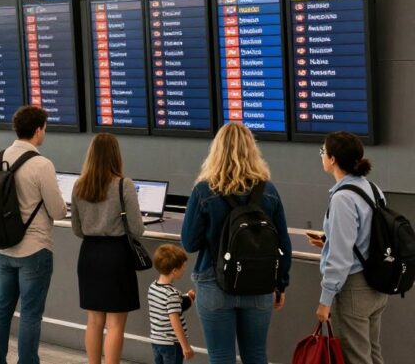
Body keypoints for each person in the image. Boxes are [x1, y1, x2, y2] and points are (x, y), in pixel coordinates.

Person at [181, 123, 291, 364]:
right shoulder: (268, 191)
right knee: (256, 356)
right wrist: (280, 284)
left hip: (213, 283)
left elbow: (189, 243)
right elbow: (283, 242)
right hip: (260, 284)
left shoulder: (204, 191)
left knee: (221, 357)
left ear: (216, 150)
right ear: (253, 150)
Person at [0, 106, 66, 364]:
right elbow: (57, 210)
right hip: (34, 248)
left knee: (2, 310)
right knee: (31, 314)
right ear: (37, 130)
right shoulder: (42, 164)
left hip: (3, 247)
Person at [310, 131, 387, 364]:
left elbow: (340, 257)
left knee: (356, 358)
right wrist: (328, 240)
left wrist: (325, 300)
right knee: (373, 354)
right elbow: (368, 236)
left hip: (354, 289)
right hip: (376, 284)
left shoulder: (343, 197)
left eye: (323, 152)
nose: (322, 156)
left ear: (333, 159)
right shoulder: (372, 189)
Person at [69, 133, 145, 364]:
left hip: (89, 254)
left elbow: (77, 228)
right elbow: (137, 228)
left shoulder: (79, 185)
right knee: (114, 324)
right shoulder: (124, 184)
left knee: (93, 321)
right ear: (116, 155)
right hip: (117, 256)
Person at [148, 244, 196, 364]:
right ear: (174, 271)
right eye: (183, 267)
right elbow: (175, 322)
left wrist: (188, 297)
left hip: (156, 341)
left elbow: (166, 308)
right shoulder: (172, 294)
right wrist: (185, 346)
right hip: (172, 344)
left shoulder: (153, 287)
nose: (184, 269)